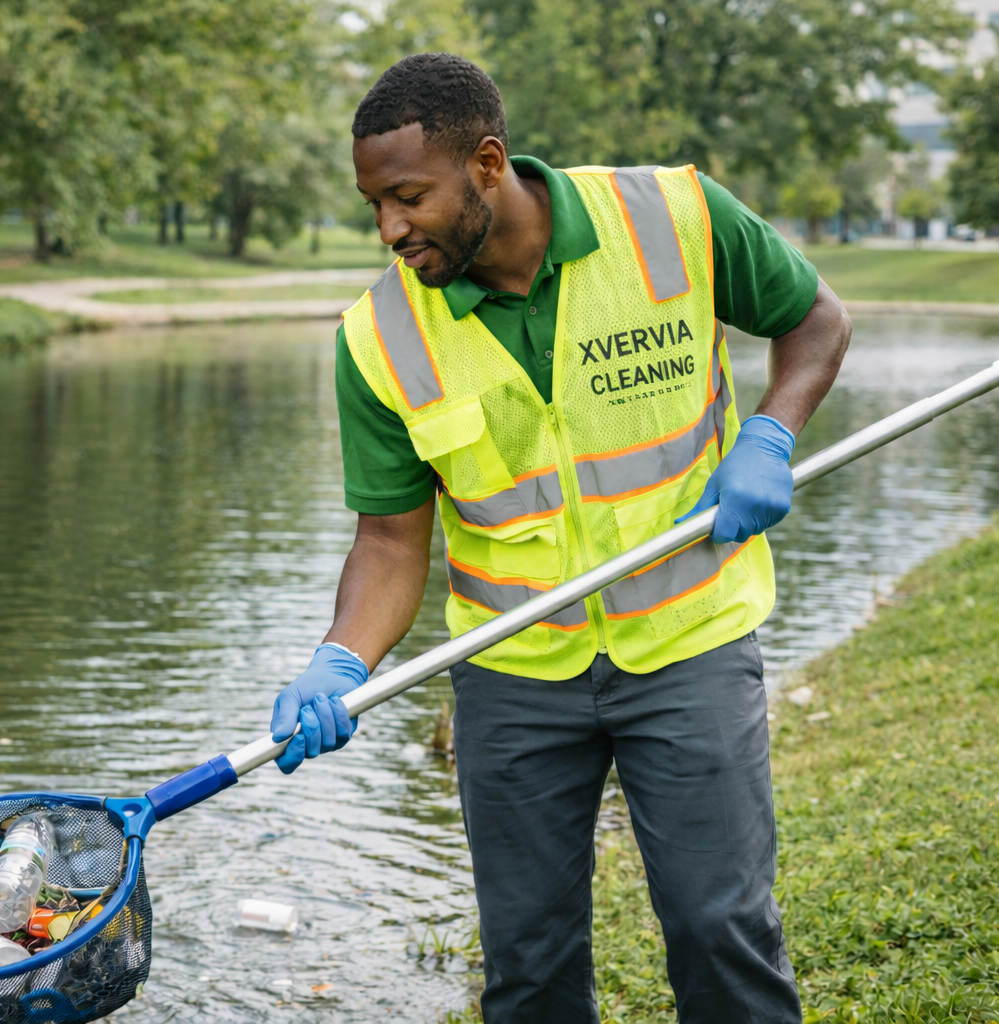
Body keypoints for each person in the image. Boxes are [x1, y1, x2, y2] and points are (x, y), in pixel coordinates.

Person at [268, 53, 850, 1023]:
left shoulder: (673, 216)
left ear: (487, 164)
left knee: (720, 930)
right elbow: (389, 541)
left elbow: (816, 321)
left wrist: (773, 431)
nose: (389, 229)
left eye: (408, 197)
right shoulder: (375, 339)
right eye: (374, 203)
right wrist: (341, 658)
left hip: (688, 640)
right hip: (513, 675)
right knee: (528, 966)